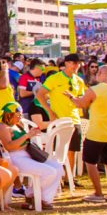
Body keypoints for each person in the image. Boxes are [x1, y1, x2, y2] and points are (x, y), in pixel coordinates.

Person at [67, 65, 107, 203]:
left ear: (100, 73)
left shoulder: (95, 90)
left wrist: (71, 97)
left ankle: (98, 193)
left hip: (96, 132)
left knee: (90, 162)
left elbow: (80, 104)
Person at [0, 102, 63, 210]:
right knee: (50, 172)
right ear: (9, 115)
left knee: (58, 167)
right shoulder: (2, 128)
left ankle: (42, 198)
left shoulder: (17, 125)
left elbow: (23, 141)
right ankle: (32, 195)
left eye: (21, 115)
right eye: (18, 115)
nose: (20, 117)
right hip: (15, 157)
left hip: (27, 154)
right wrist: (27, 136)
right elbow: (9, 147)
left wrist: (31, 134)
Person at [36, 53, 86, 183]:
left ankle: (70, 178)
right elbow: (40, 94)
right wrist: (49, 111)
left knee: (73, 150)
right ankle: (57, 176)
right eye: (74, 63)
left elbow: (81, 99)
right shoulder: (54, 78)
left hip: (74, 119)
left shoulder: (79, 80)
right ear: (67, 63)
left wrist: (75, 99)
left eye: (78, 63)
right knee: (57, 149)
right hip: (59, 120)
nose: (76, 66)